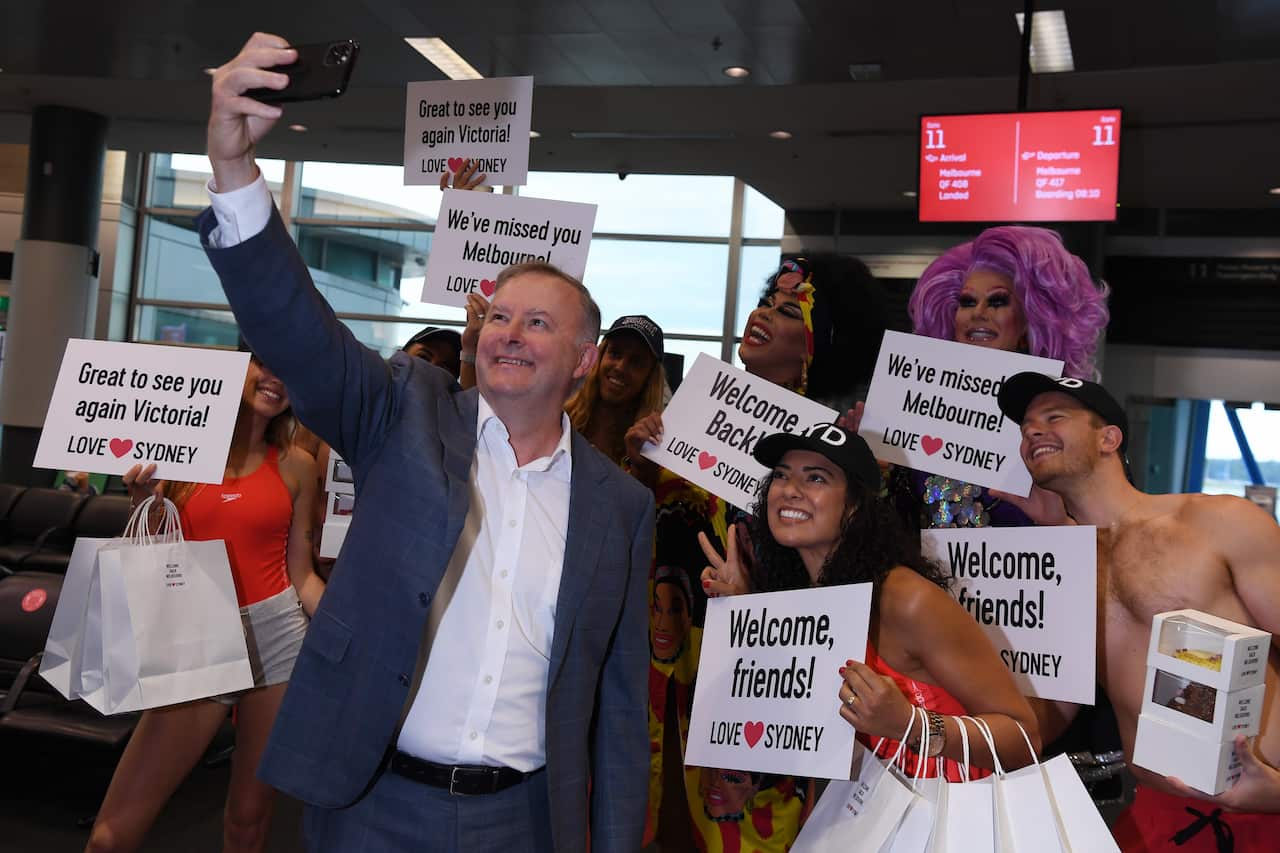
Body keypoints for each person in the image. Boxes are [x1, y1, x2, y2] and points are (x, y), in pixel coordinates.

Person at [200, 33, 654, 853]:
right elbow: (298, 333)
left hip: (523, 820)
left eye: (538, 322)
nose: (509, 333)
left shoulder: (621, 506)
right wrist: (233, 173)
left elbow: (620, 703)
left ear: (584, 362)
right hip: (373, 799)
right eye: (501, 314)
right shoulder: (405, 412)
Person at [629, 254, 887, 850]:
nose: (763, 316)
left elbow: (839, 591)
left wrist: (752, 608)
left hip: (762, 689)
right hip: (668, 677)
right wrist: (640, 465)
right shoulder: (694, 417)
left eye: (788, 311)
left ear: (820, 345)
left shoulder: (834, 453)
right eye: (767, 301)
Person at [997, 373, 1280, 850]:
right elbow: (1051, 711)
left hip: (1267, 802)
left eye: (1054, 417)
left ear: (1109, 438)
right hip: (1156, 815)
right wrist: (935, 734)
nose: (1032, 432)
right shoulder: (1051, 569)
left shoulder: (1221, 521)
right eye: (1026, 426)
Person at [701, 423, 1042, 779]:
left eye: (816, 478)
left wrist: (911, 724)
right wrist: (746, 616)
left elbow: (1025, 737)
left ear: (855, 506)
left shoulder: (907, 599)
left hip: (948, 820)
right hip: (854, 820)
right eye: (782, 476)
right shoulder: (798, 599)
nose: (790, 490)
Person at [87, 352, 321, 853]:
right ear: (236, 368)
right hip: (199, 637)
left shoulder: (298, 465)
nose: (275, 379)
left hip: (278, 638)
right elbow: (154, 550)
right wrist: (142, 499)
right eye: (263, 363)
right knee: (112, 835)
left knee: (248, 822)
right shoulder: (178, 457)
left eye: (288, 368)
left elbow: (301, 575)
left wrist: (357, 631)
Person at [892, 225, 1110, 529]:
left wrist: (1058, 523)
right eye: (967, 302)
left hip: (1030, 572)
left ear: (1029, 321)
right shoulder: (913, 410)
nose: (978, 313)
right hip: (922, 575)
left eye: (997, 302)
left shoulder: (1070, 420)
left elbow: (1102, 544)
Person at [565, 314, 666, 466]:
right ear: (599, 357)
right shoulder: (559, 417)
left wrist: (642, 466)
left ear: (650, 377)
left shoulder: (654, 442)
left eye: (636, 362)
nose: (620, 367)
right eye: (615, 354)